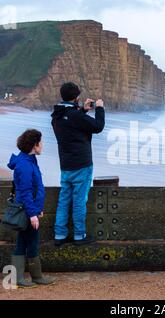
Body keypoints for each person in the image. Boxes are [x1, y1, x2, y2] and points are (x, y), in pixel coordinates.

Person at [51, 82, 105, 246]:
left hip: (65, 164)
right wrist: (100, 109)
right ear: (76, 98)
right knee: (79, 201)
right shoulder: (75, 115)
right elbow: (98, 126)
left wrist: (82, 110)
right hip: (82, 164)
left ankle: (60, 235)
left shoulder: (57, 115)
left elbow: (71, 120)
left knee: (64, 199)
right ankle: (79, 235)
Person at [7, 129, 56, 288]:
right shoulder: (25, 165)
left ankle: (25, 277)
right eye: (40, 142)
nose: (42, 145)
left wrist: (37, 209)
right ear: (34, 145)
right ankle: (34, 277)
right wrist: (33, 214)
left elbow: (34, 189)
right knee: (31, 242)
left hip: (29, 208)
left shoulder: (29, 160)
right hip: (26, 210)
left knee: (23, 241)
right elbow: (26, 192)